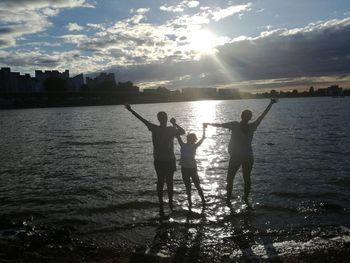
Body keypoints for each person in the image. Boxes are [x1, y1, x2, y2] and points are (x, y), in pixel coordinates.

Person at [205, 98, 277, 208]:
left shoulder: (234, 125)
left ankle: (228, 200)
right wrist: (270, 104)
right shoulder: (252, 126)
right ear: (249, 118)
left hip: (236, 157)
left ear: (241, 116)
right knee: (247, 178)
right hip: (248, 156)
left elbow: (220, 125)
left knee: (230, 179)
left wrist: (208, 124)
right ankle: (246, 199)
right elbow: (262, 116)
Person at [125, 103, 185, 216]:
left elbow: (141, 119)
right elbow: (183, 132)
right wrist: (175, 123)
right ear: (166, 119)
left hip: (159, 160)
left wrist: (130, 110)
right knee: (170, 182)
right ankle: (171, 202)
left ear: (158, 119)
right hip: (169, 160)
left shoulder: (154, 128)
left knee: (160, 181)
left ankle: (161, 204)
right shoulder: (171, 129)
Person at [176, 124, 207, 211]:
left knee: (197, 185)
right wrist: (174, 124)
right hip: (185, 169)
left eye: (194, 139)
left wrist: (204, 128)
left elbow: (203, 138)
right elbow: (177, 135)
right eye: (192, 139)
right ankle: (190, 203)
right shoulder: (183, 145)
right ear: (189, 139)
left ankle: (203, 201)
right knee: (188, 187)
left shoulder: (194, 146)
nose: (194, 140)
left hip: (192, 169)